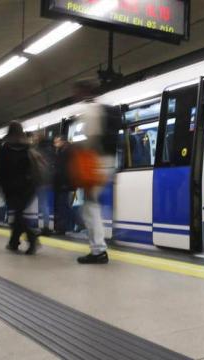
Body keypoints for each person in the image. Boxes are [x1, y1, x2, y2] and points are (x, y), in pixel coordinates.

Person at [72, 80, 117, 264]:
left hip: (95, 164)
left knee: (90, 208)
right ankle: (97, 248)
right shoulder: (104, 107)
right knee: (91, 207)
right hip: (107, 162)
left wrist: (76, 149)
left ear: (84, 92)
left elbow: (91, 140)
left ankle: (98, 250)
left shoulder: (89, 110)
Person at [0, 121, 40, 255]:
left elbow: (0, 170)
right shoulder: (28, 147)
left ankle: (32, 239)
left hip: (11, 188)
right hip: (28, 187)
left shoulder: (5, 148)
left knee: (17, 215)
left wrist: (0, 187)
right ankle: (14, 242)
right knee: (18, 215)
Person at [32, 131, 54, 235]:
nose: (34, 138)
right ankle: (46, 226)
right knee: (44, 204)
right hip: (48, 179)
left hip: (39, 179)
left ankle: (45, 227)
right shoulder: (50, 148)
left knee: (42, 204)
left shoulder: (37, 149)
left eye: (35, 137)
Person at [52, 135, 72, 235]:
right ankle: (60, 227)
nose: (55, 144)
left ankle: (62, 228)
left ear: (63, 142)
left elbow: (63, 169)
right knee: (62, 206)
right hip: (61, 184)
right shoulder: (61, 151)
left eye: (57, 142)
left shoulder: (66, 152)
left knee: (62, 206)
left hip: (64, 184)